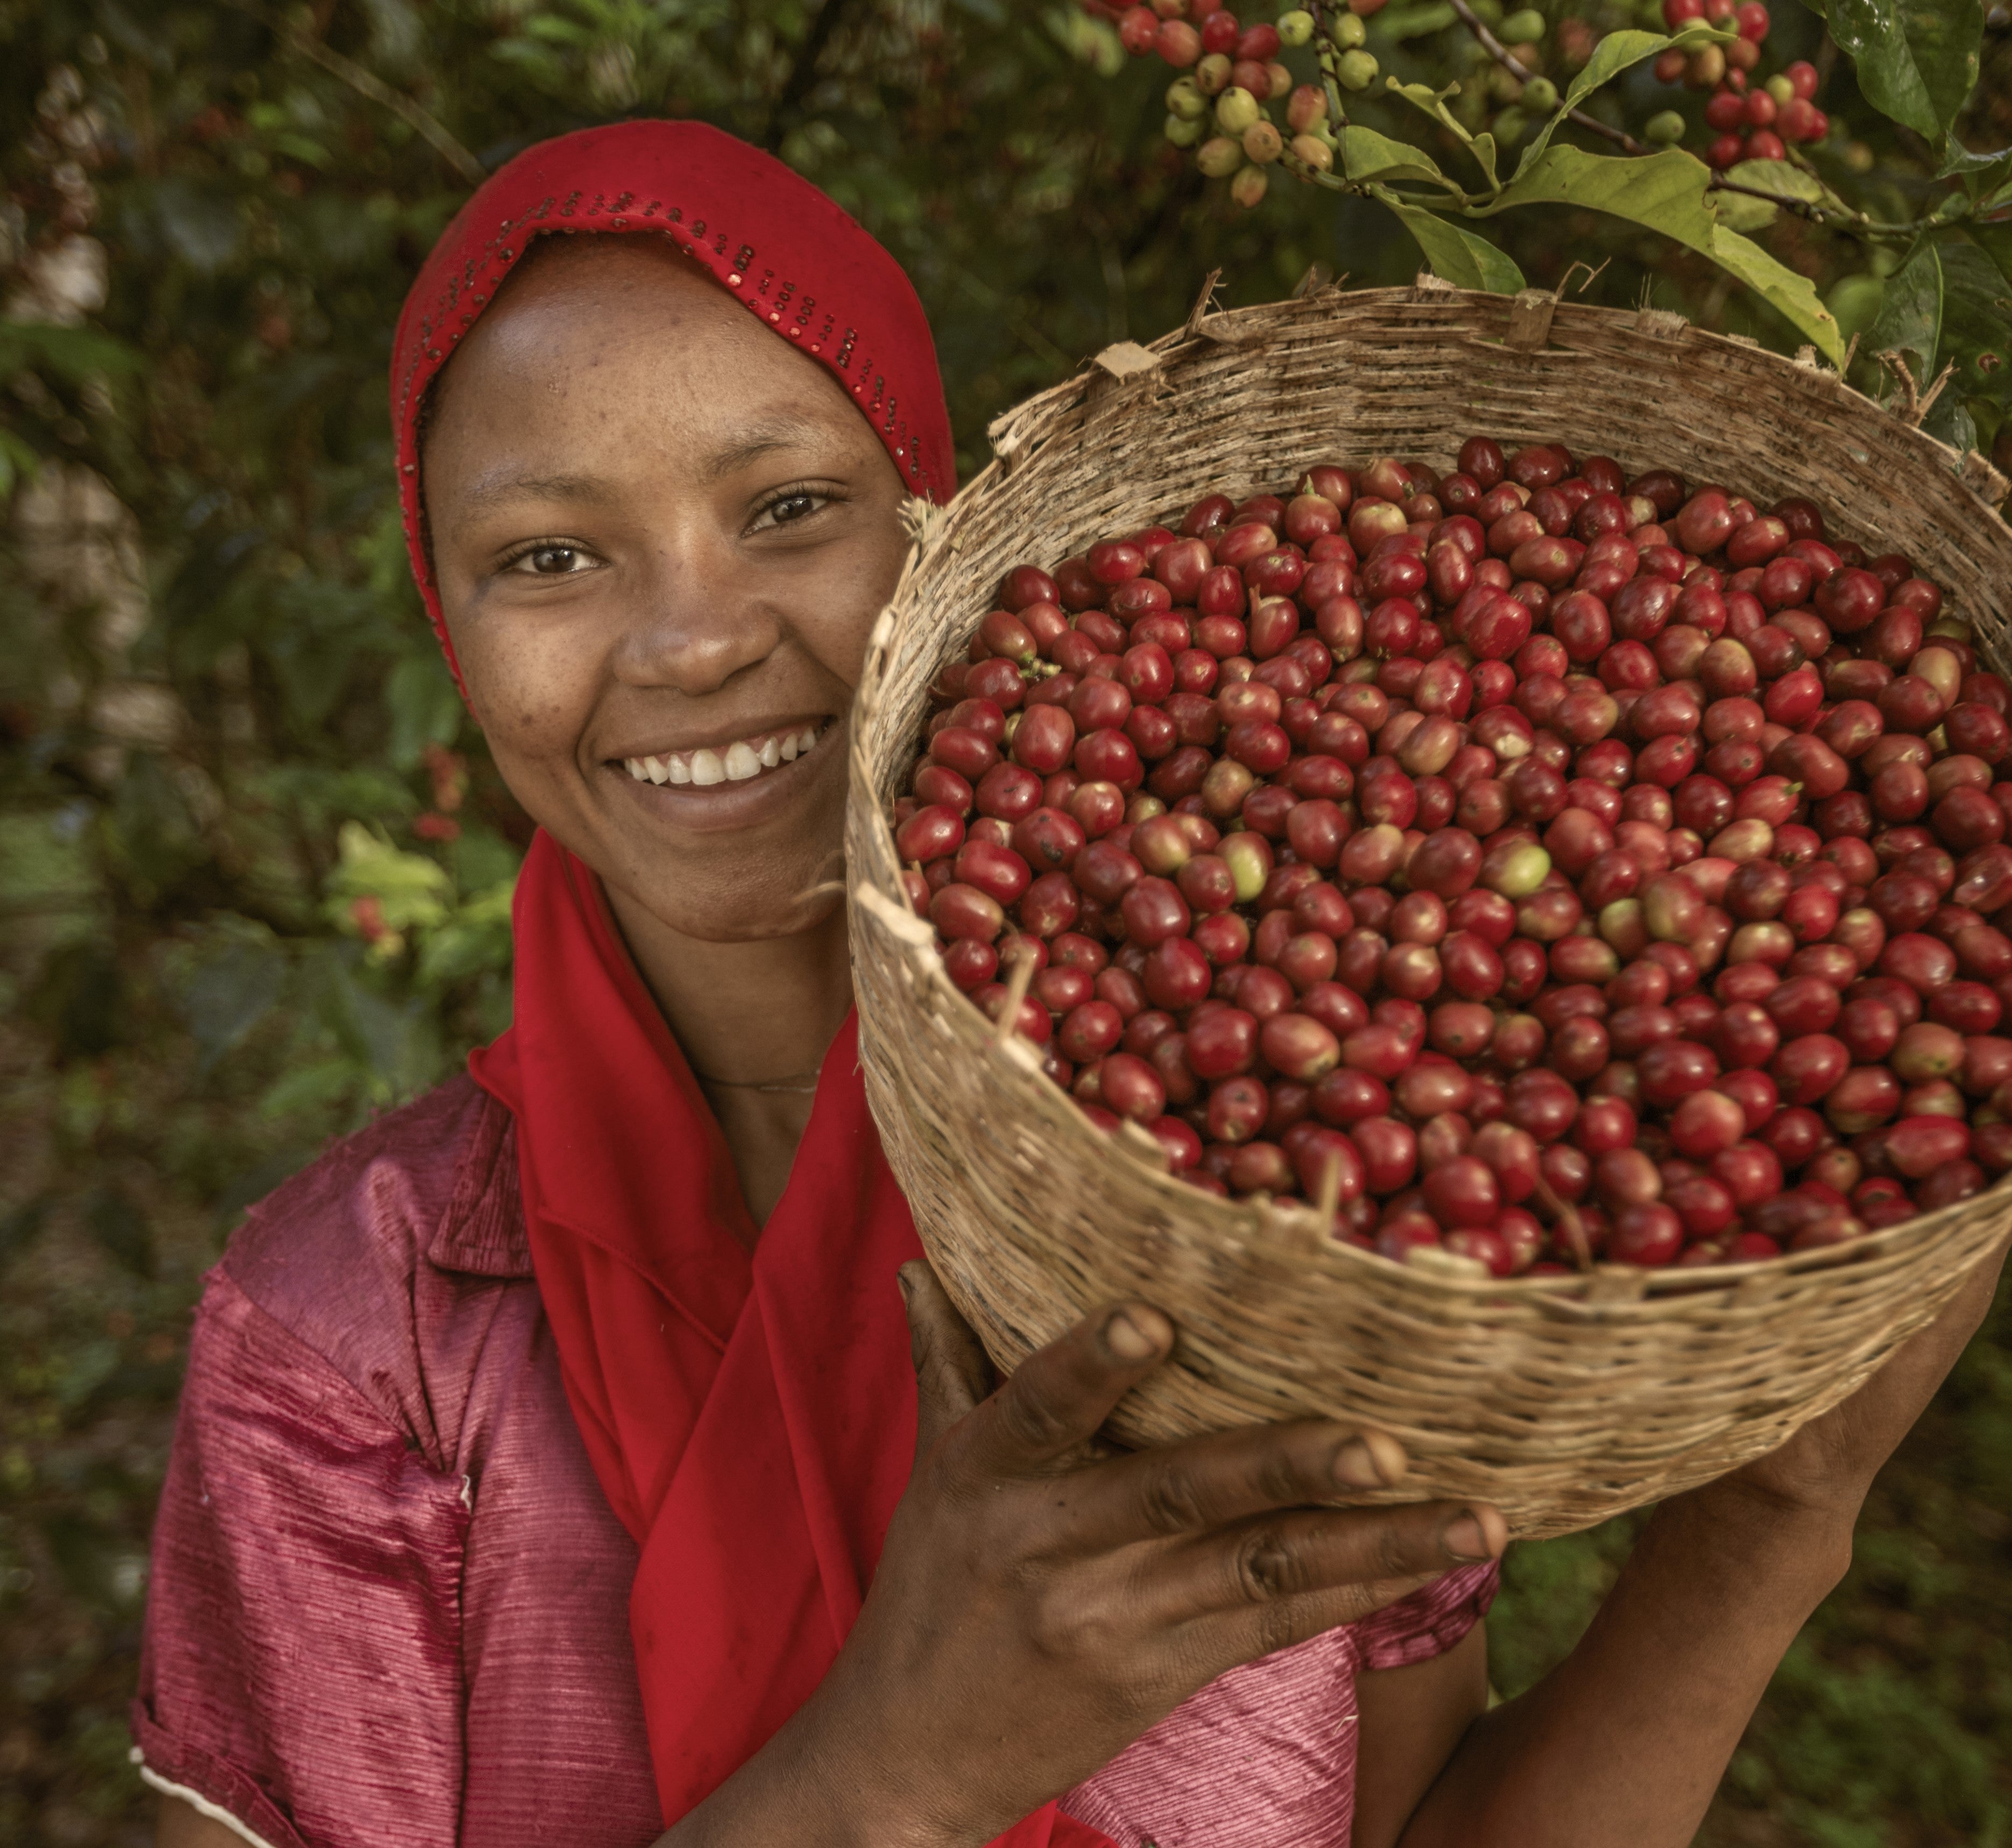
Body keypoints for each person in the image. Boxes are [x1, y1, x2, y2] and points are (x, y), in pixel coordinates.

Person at [136, 119, 2007, 1848]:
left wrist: (1774, 1516)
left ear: (945, 537)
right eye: (549, 557)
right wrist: (897, 1770)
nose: (697, 641)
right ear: (451, 634)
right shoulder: (357, 1343)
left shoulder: (1227, 1207)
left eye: (788, 507)